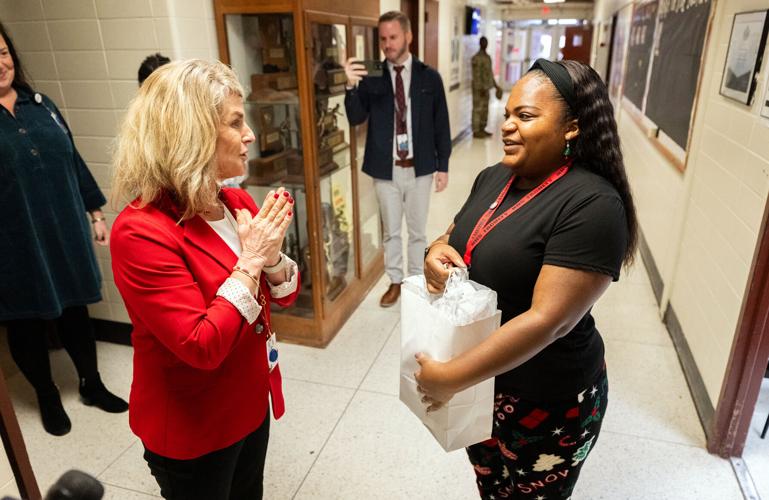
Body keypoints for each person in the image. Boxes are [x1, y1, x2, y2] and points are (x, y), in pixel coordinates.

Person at [417, 58, 638, 499]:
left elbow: (548, 321)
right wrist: (436, 250)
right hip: (485, 382)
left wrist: (450, 377)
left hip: (547, 402)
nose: (507, 127)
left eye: (526, 116)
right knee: (492, 487)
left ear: (572, 127)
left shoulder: (593, 204)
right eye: (507, 114)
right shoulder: (494, 175)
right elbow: (461, 234)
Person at [110, 59, 300, 500]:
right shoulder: (140, 231)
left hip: (249, 403)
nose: (250, 134)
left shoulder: (233, 201)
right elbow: (200, 344)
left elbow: (285, 296)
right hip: (192, 428)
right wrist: (251, 262)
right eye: (236, 123)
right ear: (191, 133)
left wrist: (270, 261)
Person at [0, 22, 128, 437]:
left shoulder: (43, 104)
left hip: (65, 229)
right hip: (14, 242)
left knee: (76, 306)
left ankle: (91, 384)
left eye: (3, 52)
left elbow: (72, 158)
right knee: (25, 319)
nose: (0, 63)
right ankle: (47, 393)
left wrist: (95, 211)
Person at [343, 10, 451, 307]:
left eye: (393, 37)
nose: (387, 44)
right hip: (385, 169)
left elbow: (441, 123)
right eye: (383, 39)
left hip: (420, 170)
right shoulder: (372, 74)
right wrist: (351, 85)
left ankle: (416, 281)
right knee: (391, 231)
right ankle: (394, 281)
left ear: (408, 36)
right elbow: (355, 117)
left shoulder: (430, 77)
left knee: (417, 232)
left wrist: (443, 166)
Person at [471, 36, 502, 138]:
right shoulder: (476, 58)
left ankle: (482, 128)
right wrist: (481, 88)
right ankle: (476, 131)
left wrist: (496, 85)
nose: (485, 44)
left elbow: (490, 73)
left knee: (485, 109)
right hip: (478, 90)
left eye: (486, 42)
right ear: (480, 44)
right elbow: (476, 76)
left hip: (486, 89)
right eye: (484, 42)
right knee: (477, 109)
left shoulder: (487, 57)